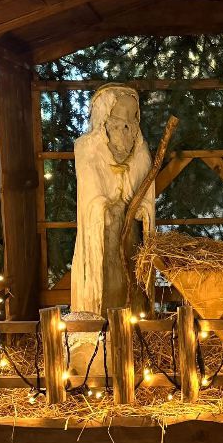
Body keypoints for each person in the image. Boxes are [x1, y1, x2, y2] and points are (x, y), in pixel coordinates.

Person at [71, 84, 154, 317]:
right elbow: (90, 195)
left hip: (131, 235)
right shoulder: (87, 148)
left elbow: (146, 195)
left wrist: (142, 209)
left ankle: (136, 317)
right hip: (102, 233)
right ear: (104, 118)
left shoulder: (141, 152)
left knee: (132, 278)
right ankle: (99, 319)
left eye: (132, 119)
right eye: (118, 119)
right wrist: (103, 207)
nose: (126, 128)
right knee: (105, 279)